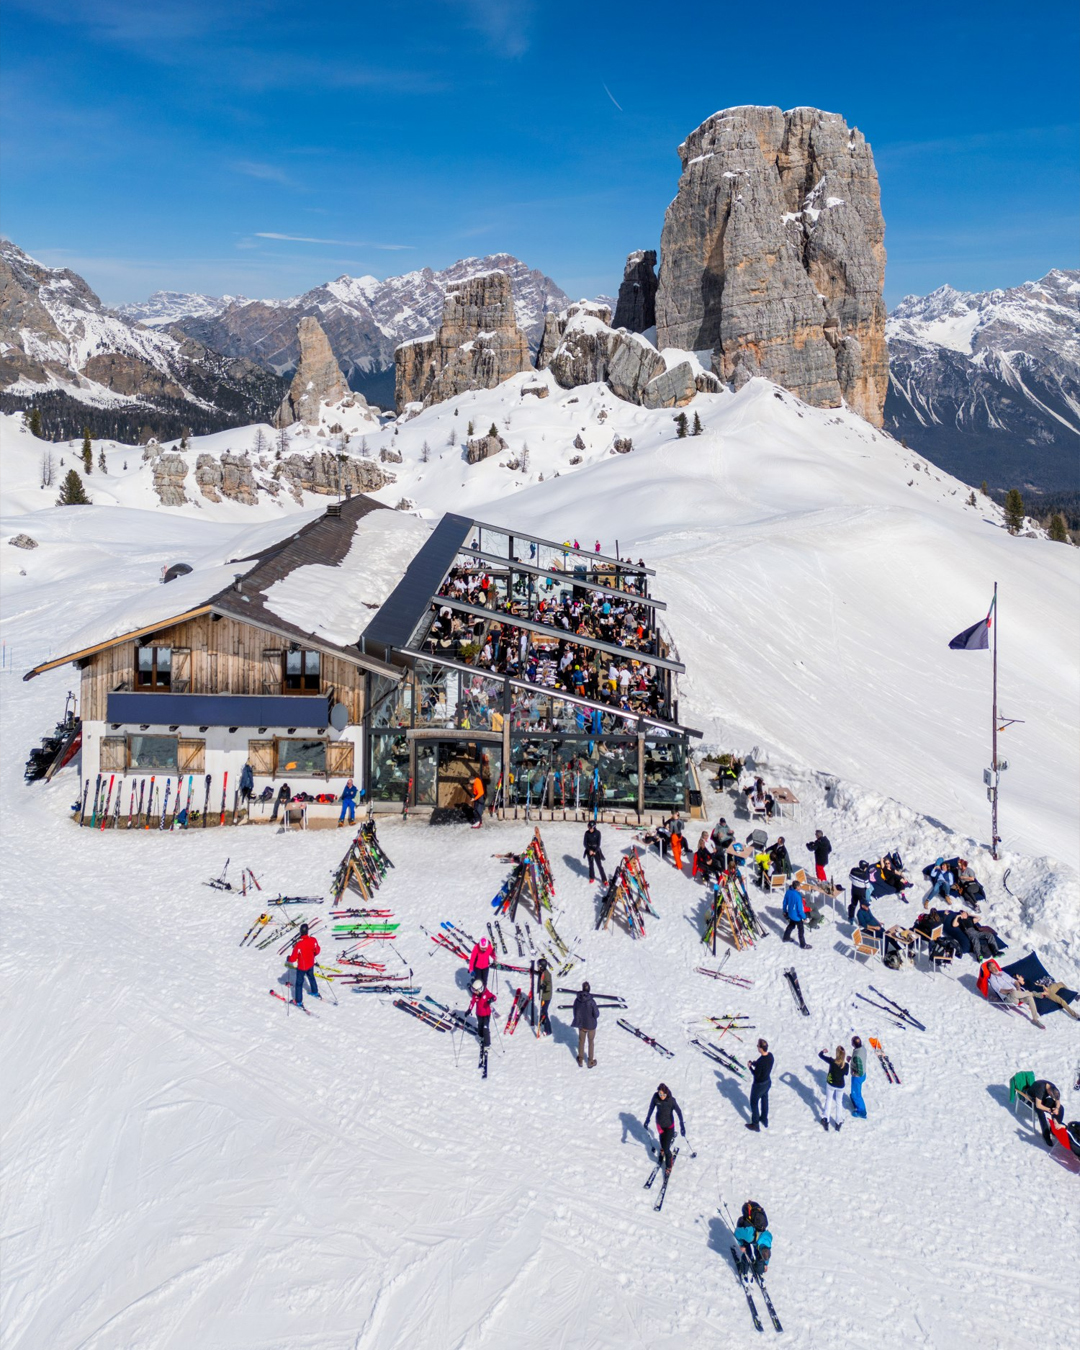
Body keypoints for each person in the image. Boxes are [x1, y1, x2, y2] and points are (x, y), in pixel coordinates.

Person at [644, 1082, 685, 1173]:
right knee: (662, 1142)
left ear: (667, 1093)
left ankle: (669, 1165)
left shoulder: (671, 1100)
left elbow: (679, 1112)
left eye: (664, 1094)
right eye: (660, 1094)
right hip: (659, 1124)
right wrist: (647, 1119)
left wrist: (682, 1125)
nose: (662, 1096)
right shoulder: (655, 1097)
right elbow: (651, 1108)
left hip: (669, 1125)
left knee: (666, 1149)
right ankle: (663, 1147)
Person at [734, 1201, 773, 1279]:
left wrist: (765, 1264)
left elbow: (766, 1254)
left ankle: (758, 1268)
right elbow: (737, 1233)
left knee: (760, 1266)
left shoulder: (768, 1241)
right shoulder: (749, 1236)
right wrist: (741, 1245)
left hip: (756, 1232)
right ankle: (743, 1271)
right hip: (744, 1228)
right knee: (747, 1253)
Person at [287, 922, 321, 1008]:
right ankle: (315, 991)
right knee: (311, 977)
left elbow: (293, 958)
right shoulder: (313, 940)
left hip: (302, 967)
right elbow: (317, 951)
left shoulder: (299, 944)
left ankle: (298, 1001)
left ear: (300, 932)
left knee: (299, 983)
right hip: (311, 964)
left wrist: (289, 959)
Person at [819, 1045, 849, 1131]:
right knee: (839, 1102)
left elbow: (820, 1056)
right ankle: (838, 1122)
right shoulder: (845, 1065)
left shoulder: (832, 1061)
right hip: (840, 1085)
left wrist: (823, 1051)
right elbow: (846, 1073)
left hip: (831, 1084)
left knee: (829, 1100)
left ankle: (826, 1119)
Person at [746, 1039, 774, 1132]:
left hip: (759, 1085)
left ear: (761, 1048)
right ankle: (764, 1119)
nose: (757, 1047)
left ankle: (755, 1124)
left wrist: (750, 1067)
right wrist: (755, 1063)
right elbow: (762, 1064)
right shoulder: (770, 1056)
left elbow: (756, 1074)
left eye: (758, 1046)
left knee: (754, 1103)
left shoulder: (761, 1061)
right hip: (767, 1082)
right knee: (764, 1099)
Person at [468, 979, 497, 1064]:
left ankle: (487, 1044)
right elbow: (472, 1003)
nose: (474, 992)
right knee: (480, 1026)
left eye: (475, 990)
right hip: (479, 1014)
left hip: (486, 1014)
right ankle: (480, 1036)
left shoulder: (486, 993)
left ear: (480, 989)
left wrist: (491, 1000)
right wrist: (469, 1010)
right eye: (473, 990)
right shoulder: (475, 996)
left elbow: (494, 997)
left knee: (485, 1028)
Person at [571, 981, 599, 1067]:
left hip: (581, 1025)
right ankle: (590, 1062)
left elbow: (575, 1012)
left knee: (581, 1042)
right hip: (591, 1026)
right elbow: (596, 1014)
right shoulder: (591, 1001)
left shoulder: (577, 1000)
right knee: (591, 1042)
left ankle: (580, 1059)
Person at [1031, 1080, 1064, 1148]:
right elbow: (1038, 1105)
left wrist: (1057, 1109)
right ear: (1049, 1091)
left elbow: (1057, 1101)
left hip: (1042, 1099)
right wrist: (1049, 1110)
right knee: (1041, 1113)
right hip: (1033, 1099)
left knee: (1061, 1108)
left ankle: (1054, 1128)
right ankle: (1046, 1135)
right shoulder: (1040, 1088)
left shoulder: (1053, 1088)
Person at [781, 881, 811, 949]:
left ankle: (786, 937)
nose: (800, 887)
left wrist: (784, 911)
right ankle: (803, 944)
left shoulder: (788, 892)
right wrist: (804, 917)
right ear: (797, 887)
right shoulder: (798, 896)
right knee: (801, 930)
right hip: (797, 917)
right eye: (799, 886)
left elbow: (785, 902)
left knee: (791, 925)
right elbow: (800, 910)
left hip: (791, 913)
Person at [848, 1036, 867, 1118]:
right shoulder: (862, 1048)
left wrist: (853, 1072)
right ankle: (854, 1097)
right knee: (855, 1092)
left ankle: (861, 1111)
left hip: (857, 1077)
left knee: (857, 1094)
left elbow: (859, 1071)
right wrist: (852, 1059)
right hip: (863, 1074)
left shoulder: (857, 1056)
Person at [537, 957, 552, 1035]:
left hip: (546, 997)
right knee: (542, 1010)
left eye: (538, 965)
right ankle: (542, 1022)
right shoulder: (542, 972)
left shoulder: (547, 974)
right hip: (543, 996)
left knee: (544, 1012)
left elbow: (549, 986)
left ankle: (548, 1029)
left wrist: (545, 987)